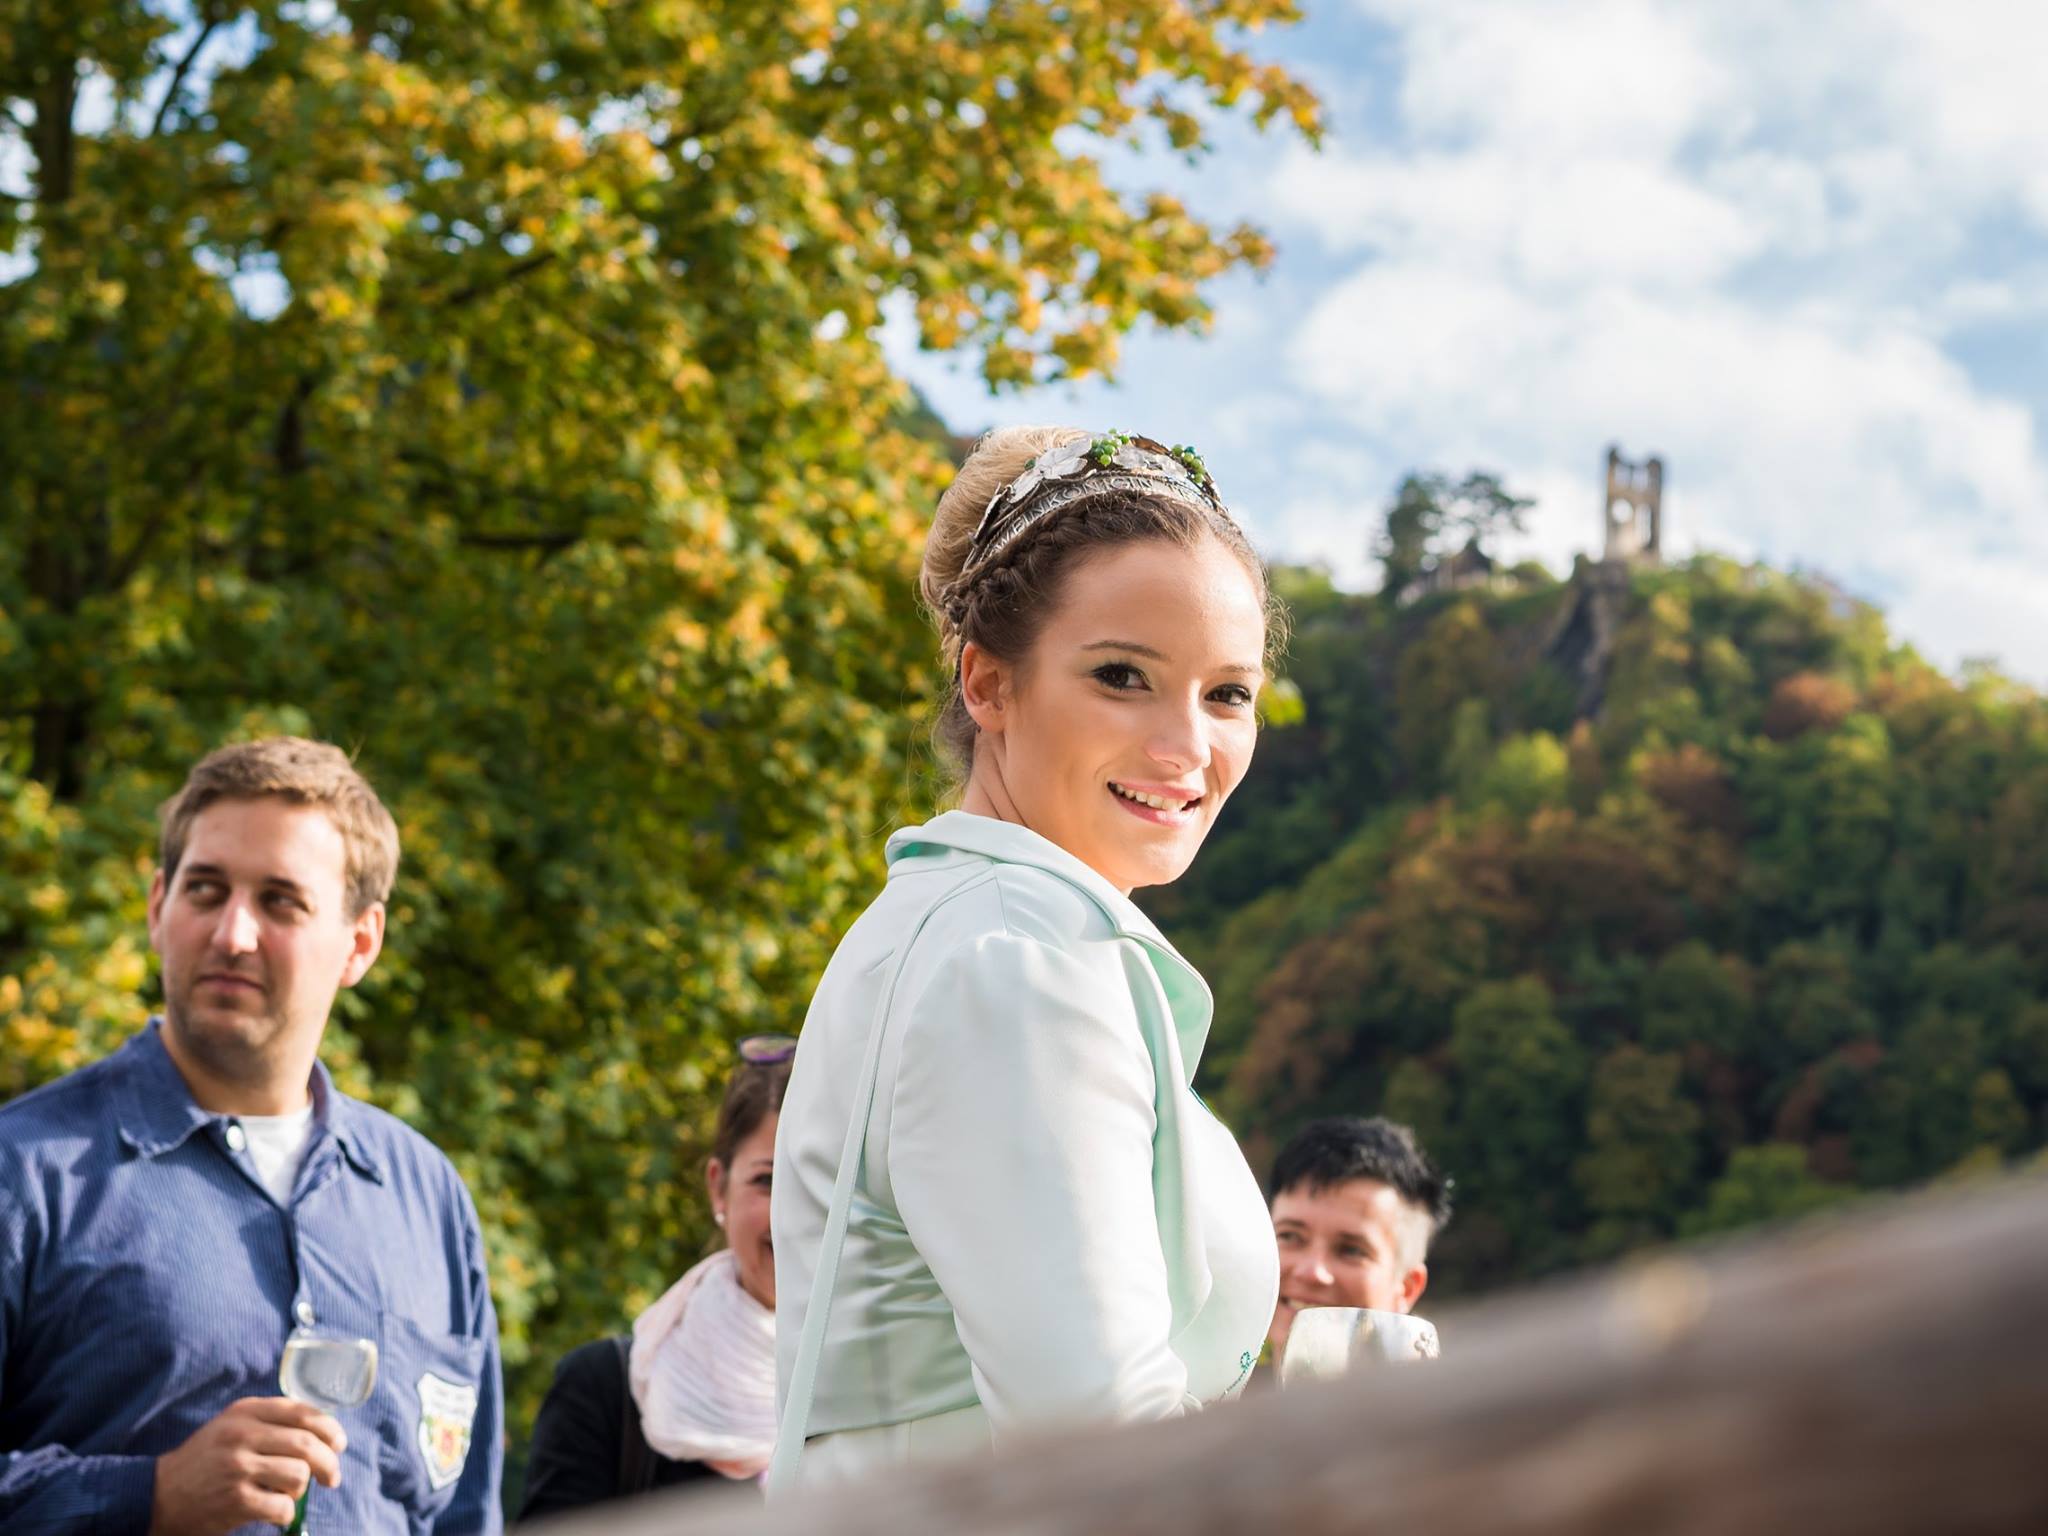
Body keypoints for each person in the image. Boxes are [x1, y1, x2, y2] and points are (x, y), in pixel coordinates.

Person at [770, 427, 1284, 1490]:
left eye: (1226, 692)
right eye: (1121, 676)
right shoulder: (1014, 962)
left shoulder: (960, 926)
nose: (1186, 746)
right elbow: (1100, 1449)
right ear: (988, 686)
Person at [0, 737, 503, 1535]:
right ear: (158, 907)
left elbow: (466, 1513)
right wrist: (151, 1496)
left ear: (361, 943)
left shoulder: (427, 1196)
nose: (234, 933)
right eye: (205, 890)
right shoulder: (23, 1175)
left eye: (280, 902)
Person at [517, 1039, 790, 1520]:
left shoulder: (882, 1400)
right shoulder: (603, 1392)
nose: (792, 1214)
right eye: (767, 1181)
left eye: (816, 1183)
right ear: (717, 1187)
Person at [1264, 1116, 1453, 1360]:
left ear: (1406, 1288)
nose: (1311, 1271)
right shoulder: (1208, 1393)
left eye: (1351, 1250)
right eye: (1289, 1236)